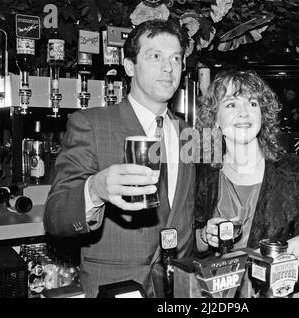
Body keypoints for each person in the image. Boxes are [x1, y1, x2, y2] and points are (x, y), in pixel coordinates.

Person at [43, 19, 195, 298]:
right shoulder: (91, 124)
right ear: (129, 66)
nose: (168, 67)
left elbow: (187, 218)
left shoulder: (190, 134)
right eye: (155, 56)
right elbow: (56, 218)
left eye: (176, 58)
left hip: (180, 291)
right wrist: (95, 190)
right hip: (116, 286)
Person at [194, 70, 299, 290]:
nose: (244, 112)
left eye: (253, 103)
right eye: (231, 104)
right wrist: (205, 235)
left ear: (263, 114)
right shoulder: (204, 174)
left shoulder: (293, 171)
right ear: (214, 118)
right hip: (219, 292)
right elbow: (189, 243)